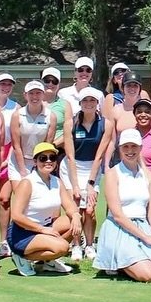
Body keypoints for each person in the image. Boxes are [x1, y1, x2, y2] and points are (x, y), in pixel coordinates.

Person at [93, 129, 151, 281]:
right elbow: (117, 215)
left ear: (140, 148)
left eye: (134, 146)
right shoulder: (112, 173)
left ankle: (138, 259)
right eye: (125, 147)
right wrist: (146, 238)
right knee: (148, 275)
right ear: (120, 149)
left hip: (143, 226)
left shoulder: (148, 176)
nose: (130, 151)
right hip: (119, 230)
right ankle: (120, 263)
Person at [8, 142, 82, 276]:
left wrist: (76, 216)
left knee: (73, 222)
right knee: (62, 248)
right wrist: (42, 230)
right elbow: (16, 216)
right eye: (43, 158)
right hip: (22, 233)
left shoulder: (57, 181)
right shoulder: (27, 183)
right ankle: (21, 257)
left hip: (45, 226)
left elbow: (70, 206)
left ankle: (48, 261)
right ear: (35, 161)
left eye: (52, 158)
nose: (48, 161)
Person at [0, 80, 56, 258]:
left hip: (41, 162)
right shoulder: (18, 115)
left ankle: (37, 239)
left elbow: (48, 144)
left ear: (42, 95)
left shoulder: (50, 116)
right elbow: (16, 145)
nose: (34, 96)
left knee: (39, 202)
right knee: (22, 203)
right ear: (25, 95)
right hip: (19, 163)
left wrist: (39, 166)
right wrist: (24, 169)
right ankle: (11, 241)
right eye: (31, 93)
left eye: (38, 93)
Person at [61, 87, 108, 261]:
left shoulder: (106, 124)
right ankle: (76, 245)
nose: (89, 104)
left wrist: (90, 184)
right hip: (71, 168)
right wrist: (74, 185)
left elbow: (99, 157)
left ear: (97, 103)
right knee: (75, 209)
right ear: (80, 104)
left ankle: (89, 245)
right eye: (85, 101)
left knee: (89, 210)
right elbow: (70, 156)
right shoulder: (70, 124)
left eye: (92, 101)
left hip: (92, 168)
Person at [0, 72, 21, 257]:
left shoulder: (16, 108)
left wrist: (5, 159)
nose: (5, 87)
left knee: (4, 200)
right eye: (2, 84)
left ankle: (4, 241)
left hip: (9, 155)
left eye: (9, 84)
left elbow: (18, 137)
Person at [41, 67, 72, 153]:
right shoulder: (33, 103)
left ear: (59, 84)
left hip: (58, 150)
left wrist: (51, 146)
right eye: (47, 80)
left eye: (54, 81)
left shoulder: (65, 104)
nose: (50, 84)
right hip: (35, 149)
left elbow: (69, 131)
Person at [131, 99, 151, 180]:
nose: (143, 114)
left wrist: (146, 180)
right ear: (134, 114)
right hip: (131, 180)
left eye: (147, 112)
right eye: (139, 112)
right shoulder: (129, 135)